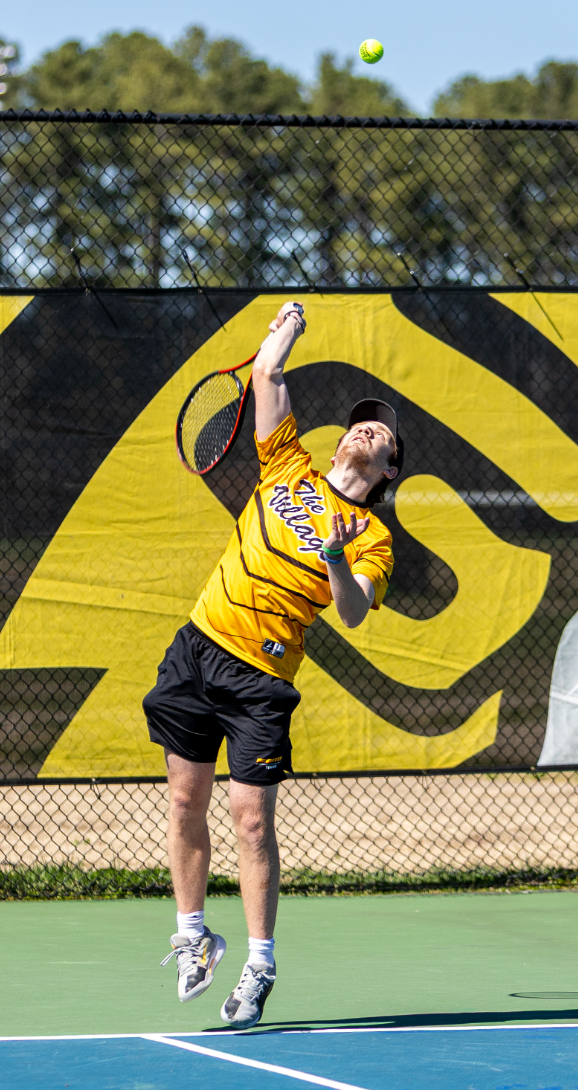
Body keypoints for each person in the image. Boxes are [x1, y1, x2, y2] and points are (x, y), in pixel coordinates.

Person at [147, 300, 401, 1028]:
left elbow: (352, 612)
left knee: (250, 820)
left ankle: (260, 962)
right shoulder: (287, 462)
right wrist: (285, 328)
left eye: (380, 431)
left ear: (387, 468)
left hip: (260, 682)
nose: (365, 427)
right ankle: (193, 937)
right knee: (184, 801)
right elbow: (266, 375)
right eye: (361, 420)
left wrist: (334, 558)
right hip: (197, 647)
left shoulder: (373, 539)